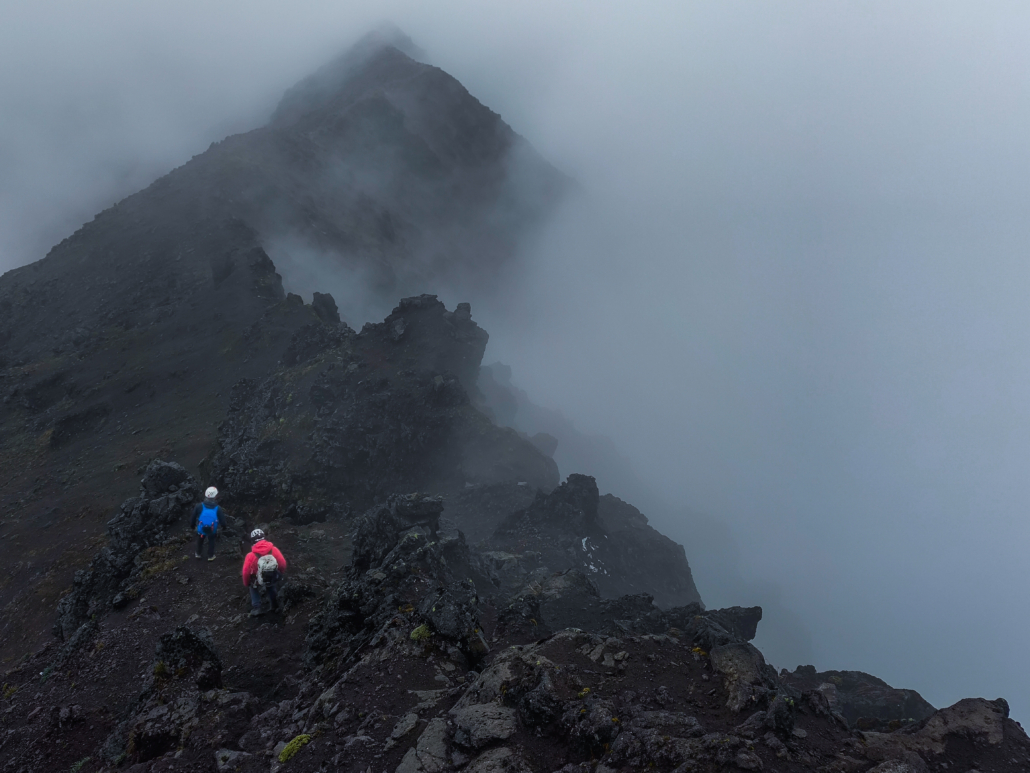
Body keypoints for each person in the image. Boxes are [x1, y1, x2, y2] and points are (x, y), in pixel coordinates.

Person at [242, 528, 287, 617]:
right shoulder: (274, 550)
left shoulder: (250, 555)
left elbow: (245, 572)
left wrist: (247, 583)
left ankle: (257, 607)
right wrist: (279, 573)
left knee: (252, 587)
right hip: (271, 577)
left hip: (257, 579)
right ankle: (274, 605)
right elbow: (282, 563)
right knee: (271, 586)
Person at [190, 487, 221, 561]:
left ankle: (198, 553)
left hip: (201, 528)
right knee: (211, 540)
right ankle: (210, 556)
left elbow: (193, 517)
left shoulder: (199, 506)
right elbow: (222, 519)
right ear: (216, 496)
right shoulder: (217, 508)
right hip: (212, 529)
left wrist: (192, 526)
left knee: (200, 540)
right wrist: (224, 526)